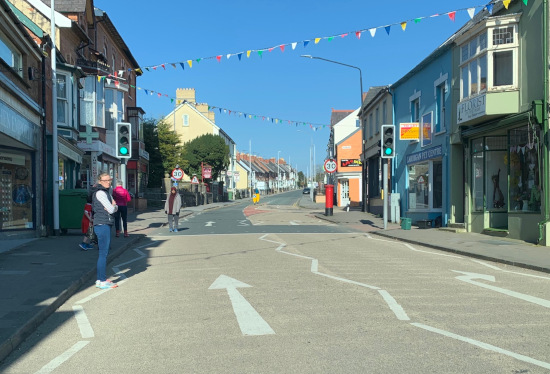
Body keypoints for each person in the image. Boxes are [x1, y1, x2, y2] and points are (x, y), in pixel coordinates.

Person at [91, 172, 118, 289]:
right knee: (103, 254)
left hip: (103, 224)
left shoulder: (106, 192)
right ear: (100, 182)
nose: (108, 182)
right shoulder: (101, 193)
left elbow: (111, 207)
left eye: (109, 180)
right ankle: (101, 280)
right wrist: (114, 206)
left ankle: (101, 278)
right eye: (105, 180)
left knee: (103, 253)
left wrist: (113, 206)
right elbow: (112, 209)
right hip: (102, 224)